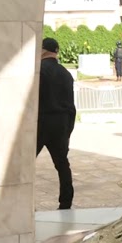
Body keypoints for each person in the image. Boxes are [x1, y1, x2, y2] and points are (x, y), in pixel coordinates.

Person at [37, 38, 76, 210]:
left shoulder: (38, 72)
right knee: (62, 165)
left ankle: (19, 201)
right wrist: (68, 131)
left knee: (24, 164)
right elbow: (71, 107)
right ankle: (65, 203)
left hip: (41, 122)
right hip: (60, 124)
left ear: (43, 50)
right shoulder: (66, 74)